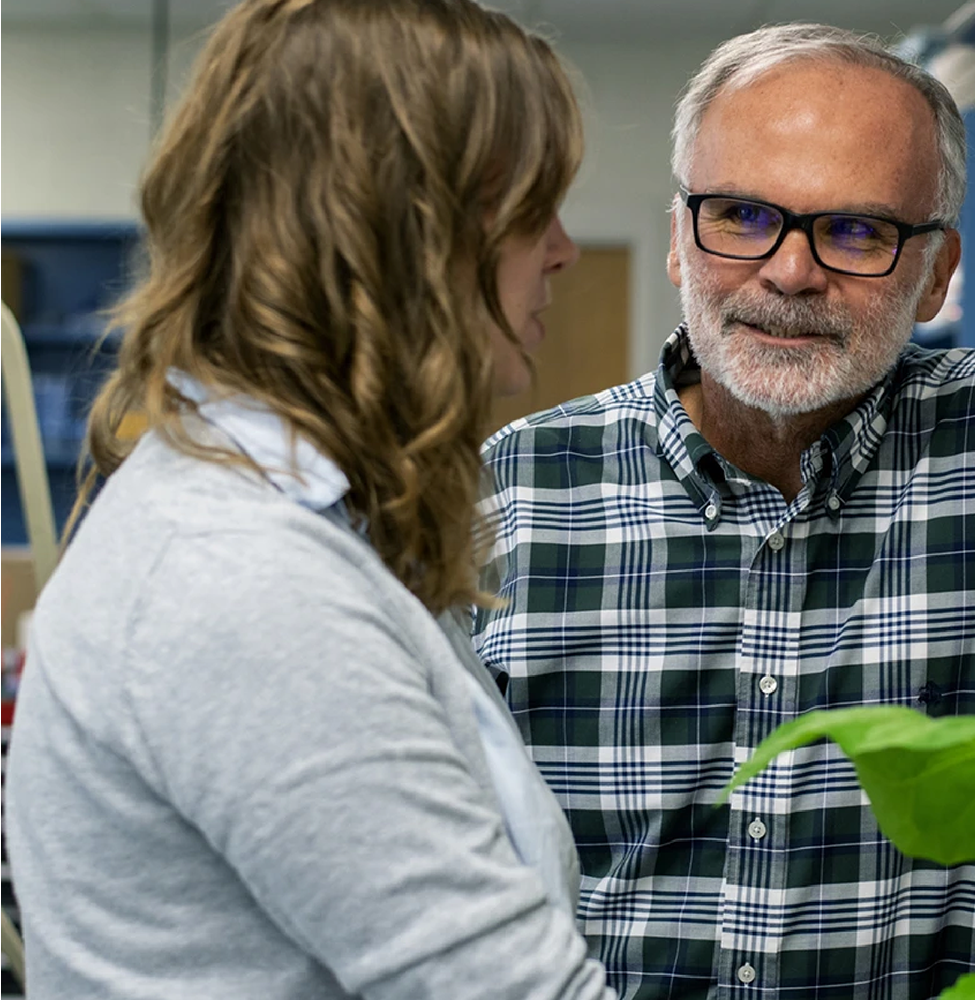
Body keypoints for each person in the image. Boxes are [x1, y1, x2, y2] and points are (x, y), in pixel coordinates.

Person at [473, 23, 975, 999]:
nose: (792, 272)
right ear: (681, 239)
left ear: (936, 274)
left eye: (856, 231)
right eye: (744, 215)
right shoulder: (514, 492)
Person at [3, 2, 614, 998]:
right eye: (530, 209)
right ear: (406, 231)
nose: (561, 249)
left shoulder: (300, 522)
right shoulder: (239, 574)